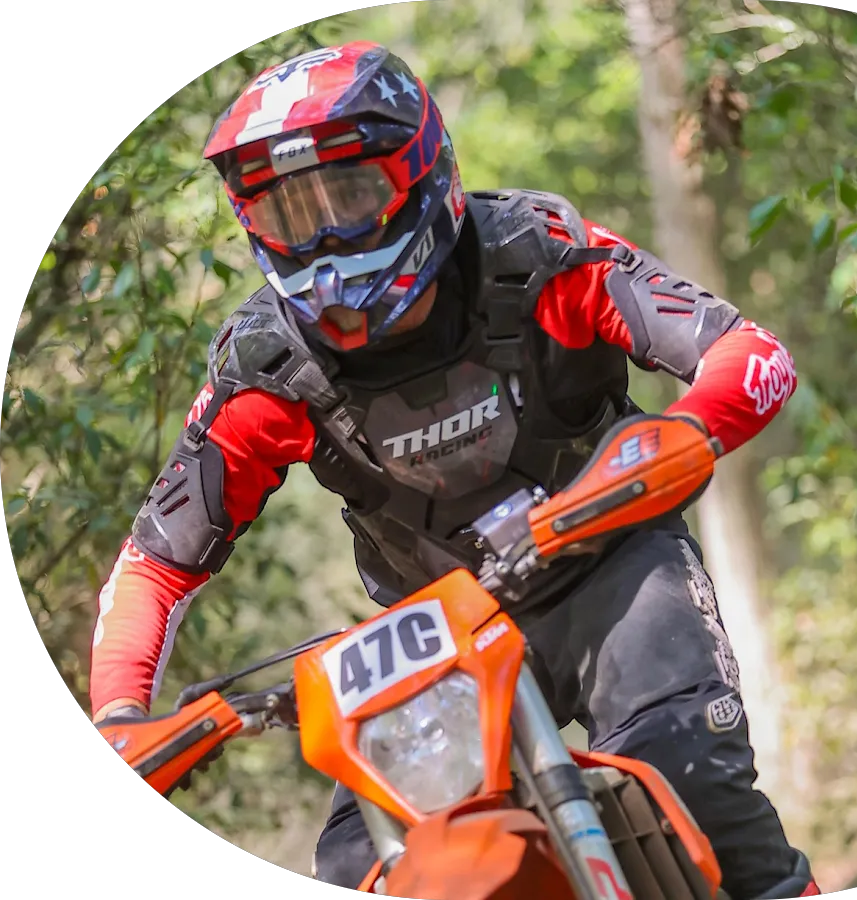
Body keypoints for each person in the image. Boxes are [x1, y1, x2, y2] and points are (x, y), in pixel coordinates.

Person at [88, 41, 819, 899]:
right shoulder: (270, 367)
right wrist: (121, 719)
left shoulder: (537, 253)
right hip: (440, 633)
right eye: (291, 214)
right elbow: (155, 564)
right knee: (362, 868)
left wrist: (673, 442)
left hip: (610, 566)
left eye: (349, 195)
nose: (324, 237)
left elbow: (749, 352)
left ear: (420, 174)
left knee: (697, 788)